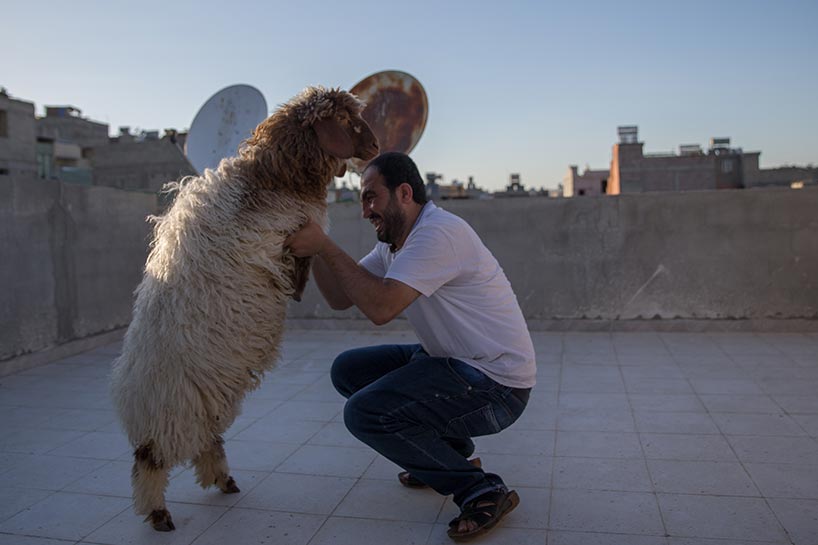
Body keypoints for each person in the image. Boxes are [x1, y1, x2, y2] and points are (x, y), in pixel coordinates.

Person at [285, 152, 536, 541]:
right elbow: (339, 297)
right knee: (348, 370)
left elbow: (381, 308)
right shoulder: (394, 244)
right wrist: (317, 247)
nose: (366, 211)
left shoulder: (438, 234)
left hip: (497, 387)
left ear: (404, 193)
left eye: (371, 197)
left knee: (365, 412)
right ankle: (447, 453)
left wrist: (327, 246)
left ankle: (480, 489)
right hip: (452, 362)